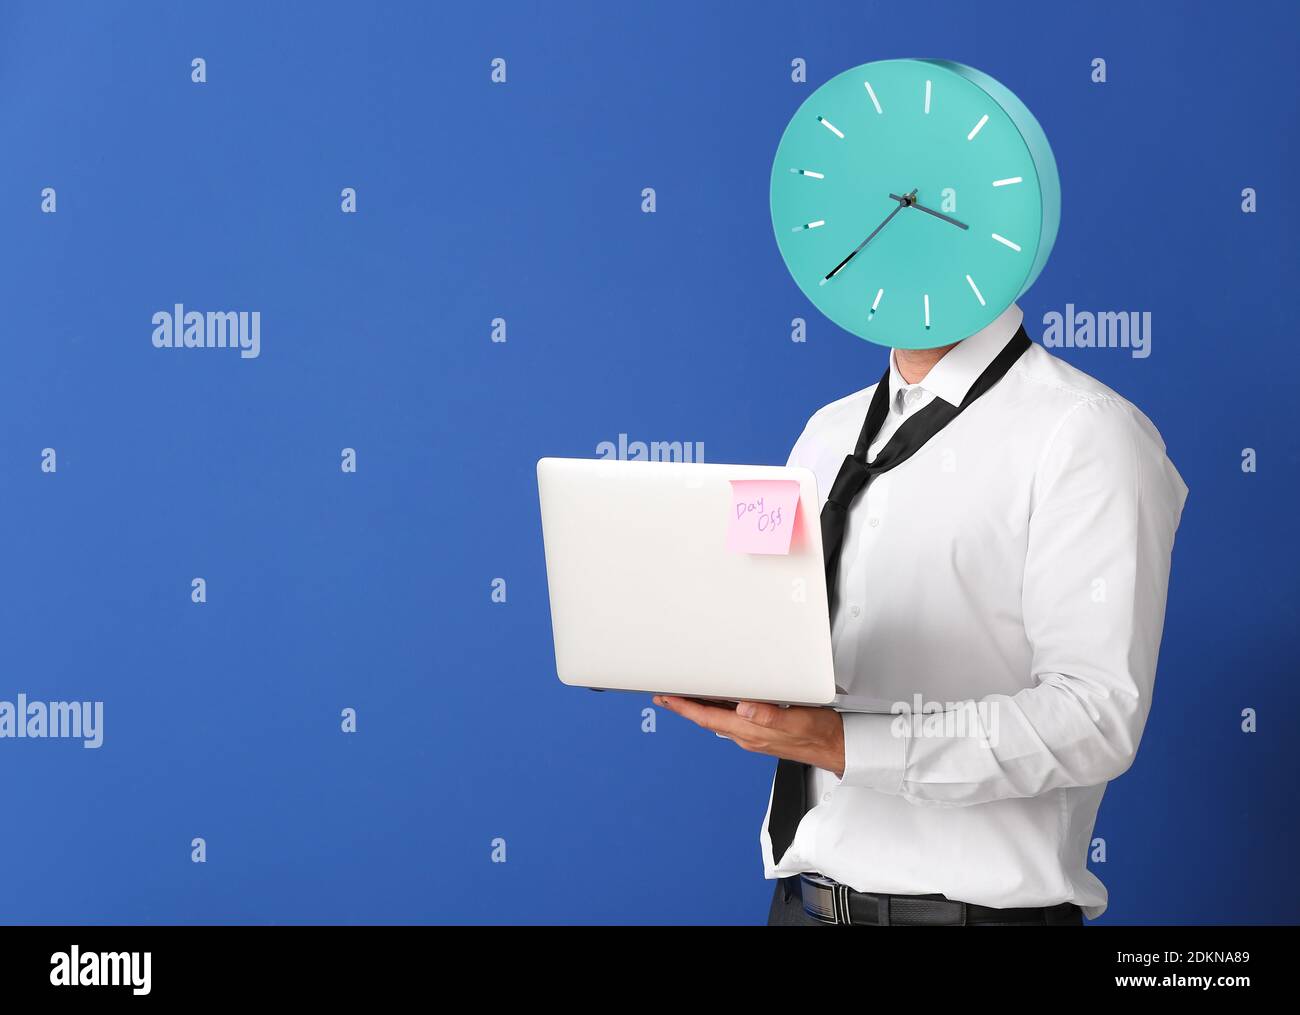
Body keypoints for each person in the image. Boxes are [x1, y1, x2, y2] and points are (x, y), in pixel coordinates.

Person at [656, 303, 1187, 926]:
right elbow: (772, 624)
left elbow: (1095, 716)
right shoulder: (827, 432)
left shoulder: (1087, 430)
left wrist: (842, 743)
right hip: (801, 905)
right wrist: (717, 670)